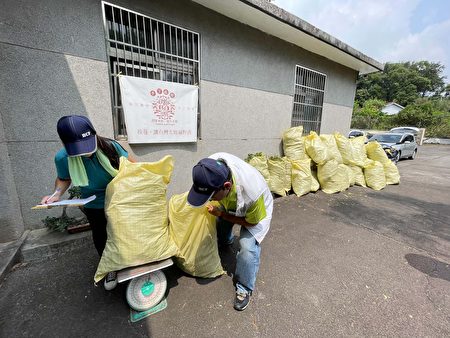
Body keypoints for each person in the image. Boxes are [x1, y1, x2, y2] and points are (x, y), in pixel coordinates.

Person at [40, 115, 134, 290]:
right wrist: (56, 194)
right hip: (93, 203)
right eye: (78, 149)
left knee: (124, 232)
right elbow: (63, 178)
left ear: (93, 134)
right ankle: (109, 268)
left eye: (87, 145)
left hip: (119, 198)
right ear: (65, 144)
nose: (85, 152)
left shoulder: (110, 147)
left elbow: (134, 166)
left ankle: (130, 261)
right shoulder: (63, 158)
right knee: (101, 235)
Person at [187, 152, 273, 311]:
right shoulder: (209, 167)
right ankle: (226, 240)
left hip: (255, 213)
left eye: (211, 195)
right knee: (221, 222)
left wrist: (222, 214)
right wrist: (221, 213)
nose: (210, 199)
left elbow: (250, 221)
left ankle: (244, 288)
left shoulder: (252, 192)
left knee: (247, 248)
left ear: (226, 186)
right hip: (230, 200)